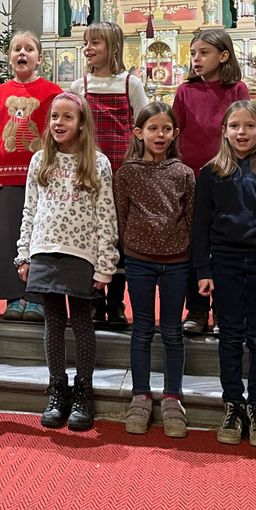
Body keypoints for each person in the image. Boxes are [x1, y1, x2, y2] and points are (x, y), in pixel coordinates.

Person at [193, 101, 256, 448]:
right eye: (234, 126)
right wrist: (203, 269)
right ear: (224, 131)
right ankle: (233, 404)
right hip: (225, 260)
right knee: (230, 335)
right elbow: (200, 226)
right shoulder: (211, 173)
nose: (241, 132)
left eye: (249, 126)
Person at [16, 92, 118, 431]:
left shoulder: (98, 163)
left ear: (82, 123)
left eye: (67, 117)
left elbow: (106, 216)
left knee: (83, 323)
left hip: (82, 253)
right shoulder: (40, 161)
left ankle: (83, 391)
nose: (59, 123)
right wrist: (23, 253)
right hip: (44, 249)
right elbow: (29, 210)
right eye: (54, 118)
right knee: (53, 322)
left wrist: (106, 264)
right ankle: (57, 388)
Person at [115, 103, 195, 437]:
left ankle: (173, 396)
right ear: (139, 133)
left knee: (173, 331)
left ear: (174, 134)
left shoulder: (184, 173)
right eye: (152, 129)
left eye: (165, 129)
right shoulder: (127, 173)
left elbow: (190, 218)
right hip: (140, 261)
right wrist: (129, 247)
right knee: (143, 329)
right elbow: (121, 216)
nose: (159, 135)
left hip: (177, 262)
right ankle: (141, 394)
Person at [0, 31, 61, 322]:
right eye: (16, 49)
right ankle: (14, 297)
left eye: (29, 49)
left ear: (39, 58)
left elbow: (59, 132)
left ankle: (37, 297)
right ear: (10, 56)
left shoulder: (52, 92)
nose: (22, 53)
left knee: (41, 240)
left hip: (43, 181)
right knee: (8, 239)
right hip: (6, 181)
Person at [71, 21, 148, 328]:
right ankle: (93, 300)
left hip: (122, 170)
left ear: (113, 47)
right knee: (91, 235)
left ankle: (116, 301)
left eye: (95, 43)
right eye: (86, 43)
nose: (88, 49)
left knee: (117, 238)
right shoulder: (80, 87)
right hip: (89, 171)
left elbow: (142, 127)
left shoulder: (131, 83)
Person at [173, 29, 249, 335]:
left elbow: (246, 129)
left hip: (230, 175)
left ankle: (227, 310)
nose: (196, 59)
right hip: (193, 177)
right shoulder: (185, 91)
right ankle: (198, 309)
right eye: (193, 54)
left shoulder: (238, 89)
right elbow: (176, 133)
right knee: (197, 245)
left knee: (228, 244)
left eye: (203, 53)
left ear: (224, 56)